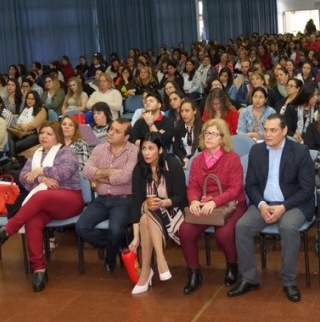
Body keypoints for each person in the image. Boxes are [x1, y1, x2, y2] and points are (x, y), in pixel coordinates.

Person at [0, 122, 85, 292]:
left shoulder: (67, 152)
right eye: (42, 133)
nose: (43, 136)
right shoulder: (35, 154)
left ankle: (7, 230)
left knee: (40, 196)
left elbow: (64, 172)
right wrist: (42, 179)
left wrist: (40, 170)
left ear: (57, 137)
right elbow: (24, 177)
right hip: (44, 201)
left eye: (49, 134)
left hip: (69, 198)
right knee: (32, 220)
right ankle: (39, 269)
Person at [228, 114, 315, 302]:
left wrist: (283, 207)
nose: (267, 134)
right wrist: (261, 205)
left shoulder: (300, 151)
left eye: (273, 130)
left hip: (293, 204)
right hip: (265, 203)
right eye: (265, 130)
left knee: (288, 227)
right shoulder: (256, 151)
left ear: (284, 131)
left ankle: (289, 281)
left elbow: (307, 189)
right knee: (242, 227)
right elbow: (251, 185)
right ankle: (249, 278)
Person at [179, 119, 246, 294]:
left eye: (214, 134)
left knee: (223, 234)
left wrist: (214, 202)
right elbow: (193, 186)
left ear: (222, 138)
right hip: (204, 205)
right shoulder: (197, 160)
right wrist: (194, 201)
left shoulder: (232, 159)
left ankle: (232, 264)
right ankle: (194, 272)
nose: (209, 137)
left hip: (231, 205)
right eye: (207, 133)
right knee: (185, 231)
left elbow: (235, 189)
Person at [126, 132, 187, 294]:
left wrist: (163, 203)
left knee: (146, 218)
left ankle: (149, 269)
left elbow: (180, 196)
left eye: (151, 148)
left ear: (160, 150)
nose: (146, 152)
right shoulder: (139, 169)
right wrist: (136, 237)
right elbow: (136, 202)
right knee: (147, 213)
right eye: (144, 148)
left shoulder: (172, 164)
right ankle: (159, 262)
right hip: (150, 210)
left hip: (173, 210)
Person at [78, 119, 139, 273]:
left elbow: (125, 177)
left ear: (126, 137)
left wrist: (99, 176)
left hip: (123, 200)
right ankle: (117, 246)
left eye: (117, 131)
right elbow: (86, 172)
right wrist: (112, 172)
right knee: (81, 227)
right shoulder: (99, 148)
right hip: (101, 199)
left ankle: (110, 257)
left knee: (115, 230)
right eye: (111, 129)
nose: (111, 133)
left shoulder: (133, 151)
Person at [7, 91, 47, 155]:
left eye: (32, 99)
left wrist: (23, 126)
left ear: (36, 100)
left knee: (15, 146)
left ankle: (12, 157)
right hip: (22, 132)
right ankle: (13, 158)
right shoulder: (25, 108)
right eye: (28, 98)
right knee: (9, 135)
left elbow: (34, 125)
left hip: (34, 134)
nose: (29, 101)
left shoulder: (41, 110)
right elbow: (18, 123)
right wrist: (21, 126)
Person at [173, 99, 202, 169]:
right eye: (182, 111)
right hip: (184, 160)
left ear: (194, 111)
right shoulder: (178, 128)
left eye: (187, 111)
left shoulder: (203, 127)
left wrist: (192, 160)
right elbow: (176, 148)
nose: (184, 114)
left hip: (200, 159)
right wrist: (184, 159)